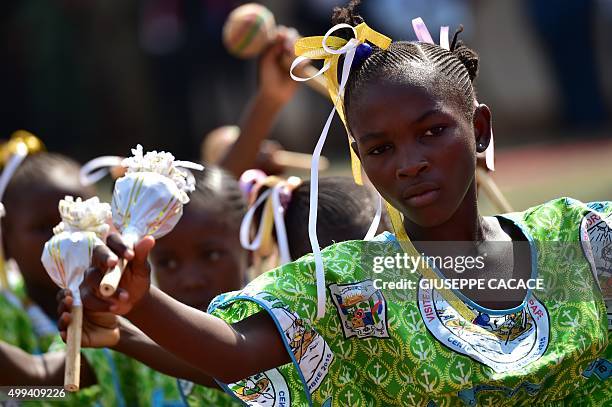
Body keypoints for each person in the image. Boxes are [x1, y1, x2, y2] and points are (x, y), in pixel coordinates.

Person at [60, 1, 611, 405]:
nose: (410, 161)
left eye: (433, 131)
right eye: (380, 147)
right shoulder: (343, 285)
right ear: (360, 160)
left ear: (480, 127)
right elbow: (239, 351)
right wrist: (142, 301)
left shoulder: (578, 238)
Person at [0, 152, 183, 406]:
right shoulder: (6, 311)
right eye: (44, 227)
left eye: (84, 223)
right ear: (5, 238)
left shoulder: (114, 300)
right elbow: (36, 388)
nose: (66, 239)